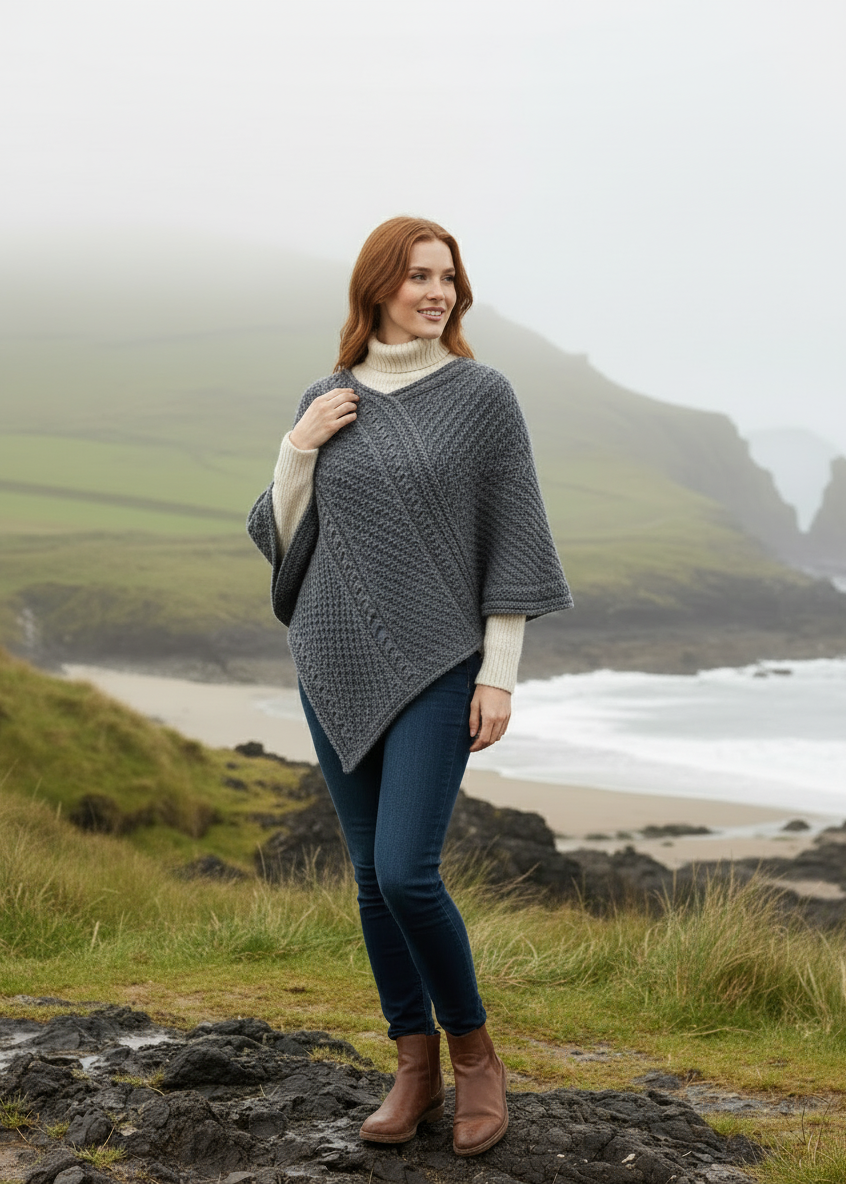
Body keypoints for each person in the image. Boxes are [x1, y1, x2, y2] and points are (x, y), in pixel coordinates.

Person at [247, 216, 572, 1158]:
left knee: (406, 873)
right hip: (335, 664)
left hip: (442, 667)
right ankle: (412, 1066)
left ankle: (475, 1058)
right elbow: (286, 536)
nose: (438, 293)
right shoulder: (329, 396)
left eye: (449, 279)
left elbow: (513, 536)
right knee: (367, 881)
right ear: (378, 288)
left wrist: (500, 676)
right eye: (420, 277)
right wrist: (297, 446)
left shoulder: (481, 395)